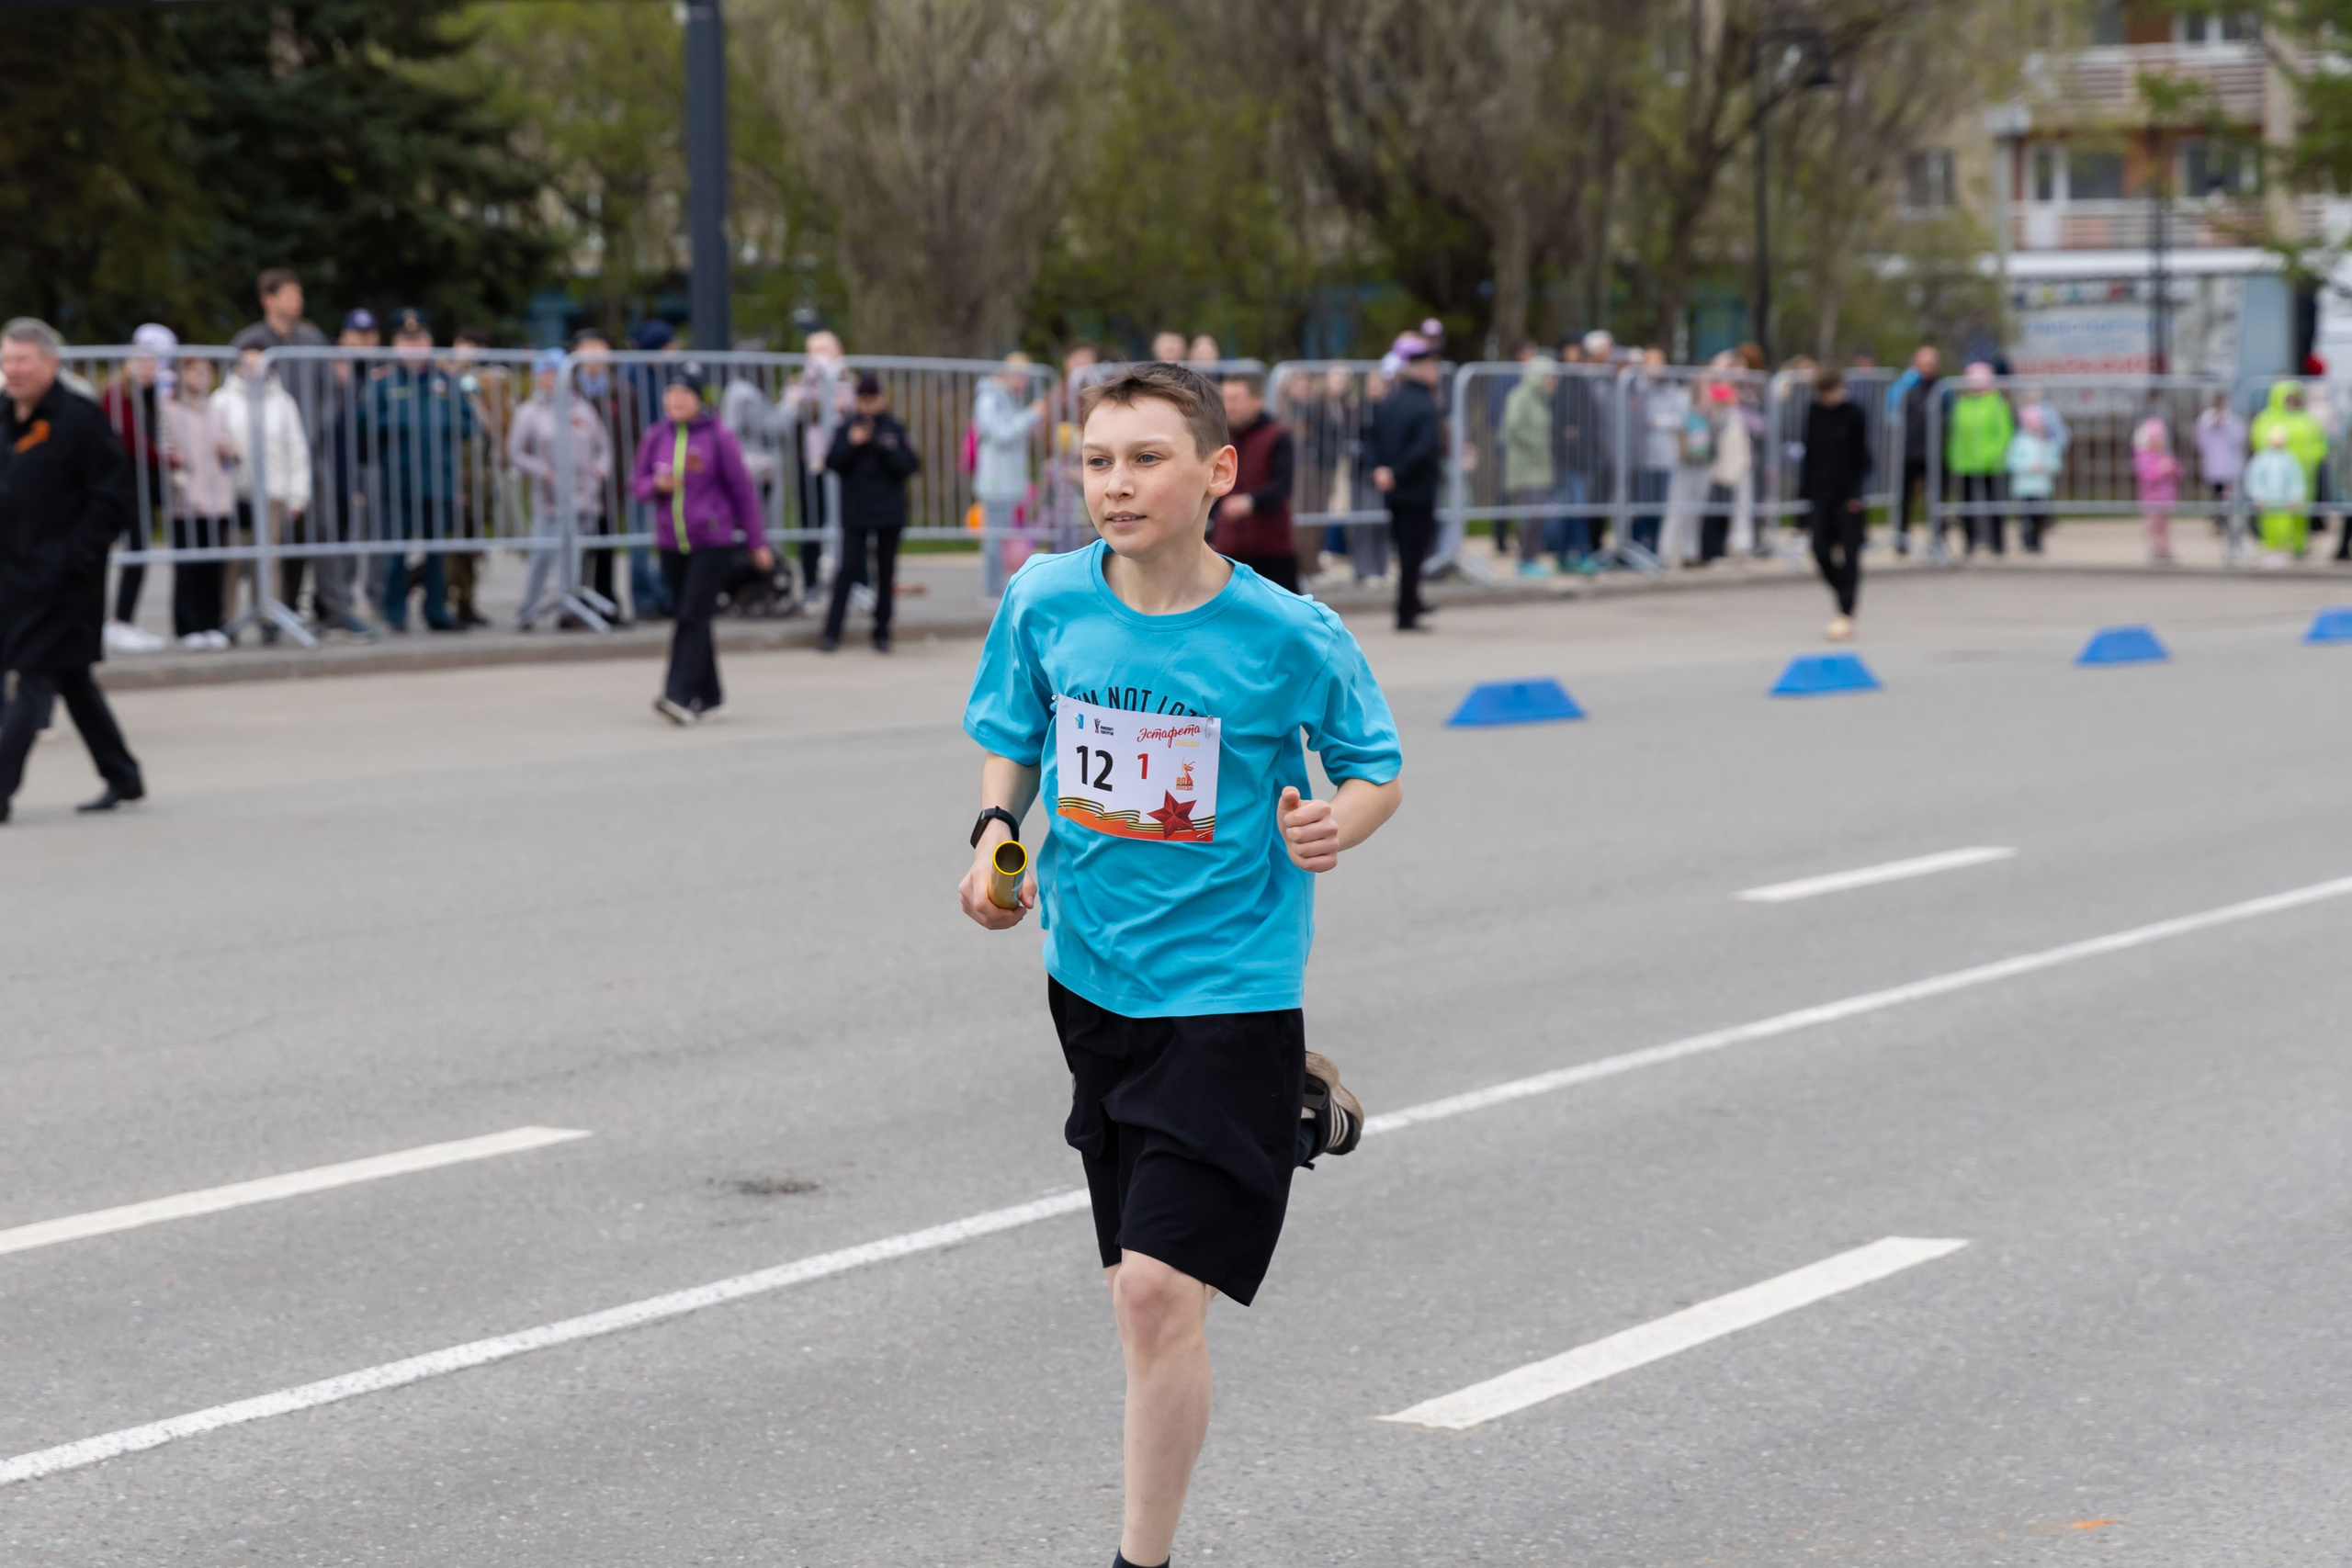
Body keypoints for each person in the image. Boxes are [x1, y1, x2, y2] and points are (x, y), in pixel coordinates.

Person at [956, 361, 1402, 1568]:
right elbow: (1014, 736)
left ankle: (1137, 1561)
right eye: (1097, 460)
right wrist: (997, 839)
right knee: (1143, 1287)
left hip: (1229, 990)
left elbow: (1375, 763)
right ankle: (1282, 1120)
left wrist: (1338, 821)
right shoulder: (1046, 599)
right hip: (1092, 983)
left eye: (1146, 458)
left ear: (1216, 472)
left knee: (1154, 1291)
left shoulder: (1286, 632)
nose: (1115, 484)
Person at [0, 319, 146, 822]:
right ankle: (122, 774)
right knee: (73, 680)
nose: (12, 370)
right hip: (13, 576)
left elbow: (112, 499)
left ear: (50, 363)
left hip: (63, 582)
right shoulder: (3, 417)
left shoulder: (79, 421)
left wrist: (74, 557)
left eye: (22, 360)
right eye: (7, 359)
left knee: (33, 680)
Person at [632, 363, 768, 722]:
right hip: (671, 542)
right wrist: (656, 486)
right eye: (671, 394)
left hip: (712, 540)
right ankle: (709, 694)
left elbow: (743, 493)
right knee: (692, 616)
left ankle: (676, 694)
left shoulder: (717, 437)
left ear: (698, 399)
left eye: (685, 394)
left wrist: (757, 542)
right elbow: (638, 484)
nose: (676, 401)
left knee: (692, 615)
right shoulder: (656, 436)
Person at [362, 309, 469, 632]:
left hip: (438, 481)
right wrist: (394, 423)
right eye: (407, 339)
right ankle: (394, 612)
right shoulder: (383, 383)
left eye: (420, 338)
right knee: (396, 552)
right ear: (394, 344)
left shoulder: (446, 382)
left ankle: (436, 610)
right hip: (398, 482)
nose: (415, 345)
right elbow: (363, 426)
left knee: (437, 553)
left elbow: (468, 423)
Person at [508, 347, 614, 629]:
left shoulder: (582, 409)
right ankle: (527, 611)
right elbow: (516, 453)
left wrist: (600, 469)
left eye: (555, 373)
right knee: (542, 554)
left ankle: (568, 610)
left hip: (582, 496)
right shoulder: (529, 412)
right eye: (544, 374)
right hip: (549, 497)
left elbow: (603, 448)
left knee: (572, 555)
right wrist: (544, 471)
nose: (550, 379)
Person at [212, 346, 312, 641]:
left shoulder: (283, 402)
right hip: (233, 494)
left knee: (268, 561)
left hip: (272, 493)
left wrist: (298, 495)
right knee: (231, 561)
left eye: (260, 364)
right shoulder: (222, 400)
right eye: (248, 363)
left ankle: (268, 616)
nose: (254, 370)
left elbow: (297, 450)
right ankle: (227, 618)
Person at [820, 371, 922, 651]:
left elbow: (910, 464)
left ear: (880, 398)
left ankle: (882, 632)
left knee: (886, 572)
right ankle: (831, 632)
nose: (867, 404)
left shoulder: (894, 428)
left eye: (872, 398)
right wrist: (852, 443)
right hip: (856, 512)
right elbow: (832, 461)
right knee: (848, 568)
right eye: (862, 398)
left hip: (889, 512)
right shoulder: (848, 427)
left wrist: (882, 446)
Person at [100, 325, 175, 654]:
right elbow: (130, 440)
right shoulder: (117, 394)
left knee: (139, 552)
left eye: (153, 363)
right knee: (127, 552)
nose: (149, 369)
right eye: (142, 362)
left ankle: (122, 620)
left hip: (139, 486)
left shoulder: (148, 397)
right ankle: (115, 622)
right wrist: (167, 459)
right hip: (120, 486)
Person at [159, 355, 240, 648]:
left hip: (216, 498)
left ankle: (211, 623)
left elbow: (229, 452)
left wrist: (229, 451)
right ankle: (187, 627)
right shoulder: (169, 411)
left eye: (207, 370)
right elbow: (168, 456)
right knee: (188, 567)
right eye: (194, 370)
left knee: (213, 565)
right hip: (186, 503)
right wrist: (185, 488)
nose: (201, 376)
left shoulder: (217, 411)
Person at [1366, 333, 1443, 629]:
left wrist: (1381, 471)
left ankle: (1411, 601)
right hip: (1416, 489)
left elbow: (1371, 440)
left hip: (1393, 489)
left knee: (1405, 549)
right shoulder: (1425, 404)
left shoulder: (1389, 401)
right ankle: (1406, 611)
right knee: (1413, 551)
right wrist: (1395, 472)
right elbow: (1424, 448)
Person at [1797, 367, 1871, 640]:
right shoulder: (1814, 413)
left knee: (1850, 556)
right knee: (1820, 550)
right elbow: (1809, 456)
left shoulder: (1855, 414)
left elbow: (1863, 458)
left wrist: (1856, 494)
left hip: (1848, 496)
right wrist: (1803, 498)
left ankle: (1845, 611)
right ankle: (1843, 592)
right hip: (1821, 494)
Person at [783, 330, 855, 598]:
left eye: (824, 349)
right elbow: (790, 416)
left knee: (851, 524)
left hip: (846, 465)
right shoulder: (798, 384)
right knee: (811, 522)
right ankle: (811, 582)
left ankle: (854, 581)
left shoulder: (849, 382)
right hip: (812, 464)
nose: (817, 356)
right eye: (812, 350)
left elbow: (851, 413)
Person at [1211, 372, 1299, 592]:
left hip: (1271, 547)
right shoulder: (1218, 437)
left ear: (1256, 401)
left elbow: (1282, 486)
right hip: (1228, 547)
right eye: (1225, 399)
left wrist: (1250, 502)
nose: (1229, 407)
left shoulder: (1277, 435)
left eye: (1235, 399)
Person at [973, 352, 1045, 597]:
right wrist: (1031, 416)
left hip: (1005, 482)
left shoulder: (1005, 398)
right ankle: (992, 592)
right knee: (994, 539)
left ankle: (996, 589)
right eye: (1023, 377)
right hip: (996, 482)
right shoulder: (990, 399)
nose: (1024, 384)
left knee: (999, 538)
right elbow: (1002, 434)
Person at [2248, 380, 2326, 560]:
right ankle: (2274, 549)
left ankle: (2298, 546)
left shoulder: (2307, 419)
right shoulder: (2267, 418)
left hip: (2302, 476)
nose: (2291, 401)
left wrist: (2311, 460)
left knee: (2300, 513)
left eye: (2295, 397)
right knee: (2274, 517)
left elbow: (2320, 444)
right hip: (2274, 479)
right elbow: (2258, 441)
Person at [1946, 362, 2014, 556]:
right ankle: (1969, 541)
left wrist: (1995, 454)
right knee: (1966, 505)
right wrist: (1954, 455)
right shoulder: (1963, 403)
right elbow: (1957, 433)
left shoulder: (1996, 402)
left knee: (1994, 503)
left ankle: (1997, 542)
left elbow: (2004, 432)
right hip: (1966, 461)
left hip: (1991, 462)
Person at [1500, 354, 1557, 577]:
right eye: (1548, 376)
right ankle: (1524, 560)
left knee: (1538, 515)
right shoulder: (1520, 396)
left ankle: (1532, 558)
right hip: (1525, 468)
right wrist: (1535, 444)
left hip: (1540, 467)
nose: (1552, 381)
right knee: (1530, 515)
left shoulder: (1542, 400)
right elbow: (1512, 428)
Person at [1888, 344, 1940, 553]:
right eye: (1923, 362)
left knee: (1935, 498)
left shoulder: (1942, 387)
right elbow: (1892, 410)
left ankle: (1936, 539)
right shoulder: (1906, 387)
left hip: (1933, 451)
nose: (1927, 367)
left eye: (1931, 363)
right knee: (1904, 497)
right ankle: (1901, 539)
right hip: (1908, 450)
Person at [1700, 380, 1752, 563]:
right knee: (1716, 512)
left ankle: (1719, 549)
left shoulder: (1732, 416)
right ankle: (1711, 550)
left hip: (1730, 471)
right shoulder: (1719, 417)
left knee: (1725, 512)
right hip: (1720, 471)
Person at [2242, 424, 2307, 567]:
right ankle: (2270, 551)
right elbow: (2254, 478)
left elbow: (2296, 479)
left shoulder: (2289, 458)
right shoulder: (2262, 458)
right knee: (2268, 528)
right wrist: (2258, 496)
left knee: (2284, 528)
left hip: (2284, 503)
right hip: (2268, 503)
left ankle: (2281, 551)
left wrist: (2295, 497)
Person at [2007, 405, 2061, 557]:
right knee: (2026, 518)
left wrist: (2047, 466)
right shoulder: (2020, 442)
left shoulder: (2046, 441)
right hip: (2025, 487)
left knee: (2039, 516)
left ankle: (2037, 541)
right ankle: (2027, 541)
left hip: (2041, 486)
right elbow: (2012, 462)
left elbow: (2054, 460)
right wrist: (2029, 467)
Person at [2192, 390, 2246, 536]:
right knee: (2215, 497)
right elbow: (2200, 442)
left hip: (2230, 467)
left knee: (2228, 498)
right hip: (2213, 467)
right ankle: (2218, 522)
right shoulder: (2206, 419)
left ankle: (2227, 522)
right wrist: (2212, 427)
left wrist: (2225, 426)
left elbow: (2239, 439)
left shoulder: (2233, 419)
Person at [2133, 414, 2181, 564]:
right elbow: (2146, 475)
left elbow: (2179, 472)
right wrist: (2160, 470)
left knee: (2165, 526)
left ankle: (2164, 548)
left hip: (2166, 498)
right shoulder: (2143, 457)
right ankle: (2155, 549)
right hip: (2151, 499)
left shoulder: (2165, 455)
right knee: (2153, 526)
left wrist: (2172, 467)